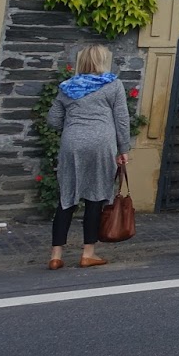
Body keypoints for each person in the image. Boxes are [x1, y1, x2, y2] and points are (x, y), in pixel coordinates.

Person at [45, 44, 131, 270]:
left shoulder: (67, 87)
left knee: (67, 198)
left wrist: (75, 125)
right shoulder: (113, 84)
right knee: (95, 198)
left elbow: (53, 120)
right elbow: (122, 120)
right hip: (102, 145)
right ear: (103, 61)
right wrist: (124, 150)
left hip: (71, 143)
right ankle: (88, 253)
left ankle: (56, 255)